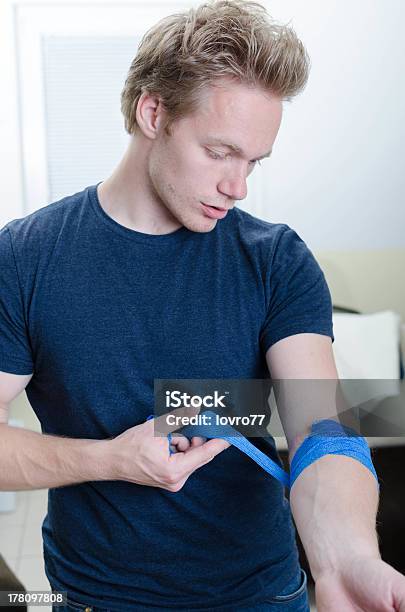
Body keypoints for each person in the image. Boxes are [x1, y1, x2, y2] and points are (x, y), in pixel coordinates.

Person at [1, 0, 405, 610]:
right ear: (153, 111)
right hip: (92, 595)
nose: (237, 187)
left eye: (253, 161)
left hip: (263, 594)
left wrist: (346, 559)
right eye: (219, 152)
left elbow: (322, 431)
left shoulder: (276, 260)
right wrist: (112, 459)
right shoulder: (26, 257)